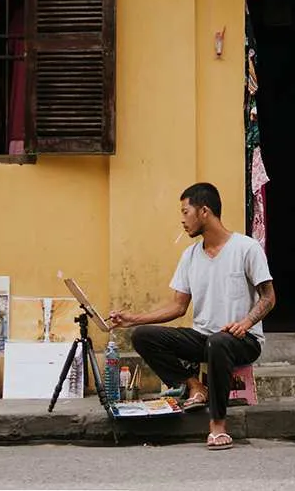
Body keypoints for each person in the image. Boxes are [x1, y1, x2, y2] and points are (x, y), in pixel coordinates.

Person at [109, 182, 276, 451]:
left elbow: (269, 297)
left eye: (186, 212)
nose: (182, 220)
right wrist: (133, 319)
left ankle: (218, 426)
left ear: (204, 211)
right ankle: (195, 385)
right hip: (204, 338)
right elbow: (177, 307)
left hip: (242, 340)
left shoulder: (246, 248)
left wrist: (245, 324)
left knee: (219, 342)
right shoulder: (190, 256)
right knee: (144, 337)